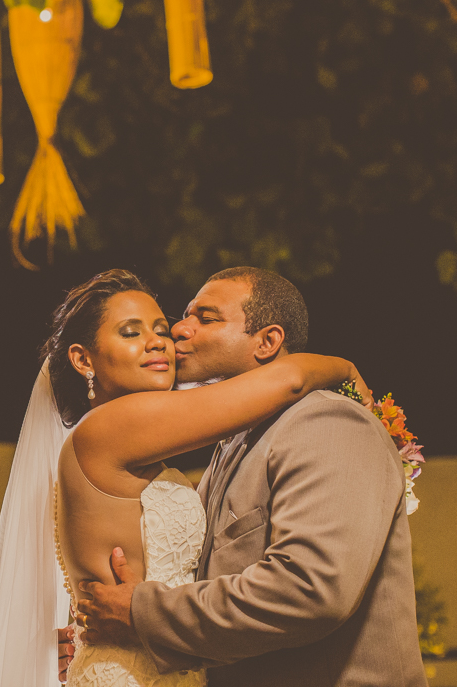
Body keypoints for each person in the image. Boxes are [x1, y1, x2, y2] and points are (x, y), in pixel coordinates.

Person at [0, 269, 368, 687]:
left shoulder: (130, 447)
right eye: (130, 332)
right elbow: (289, 380)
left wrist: (86, 637)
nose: (161, 339)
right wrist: (345, 369)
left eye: (160, 328)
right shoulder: (109, 428)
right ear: (83, 359)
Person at [77, 267, 428, 687]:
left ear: (268, 342)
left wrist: (142, 613)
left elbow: (311, 589)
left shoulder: (326, 422)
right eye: (184, 316)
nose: (178, 329)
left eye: (205, 318)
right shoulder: (234, 444)